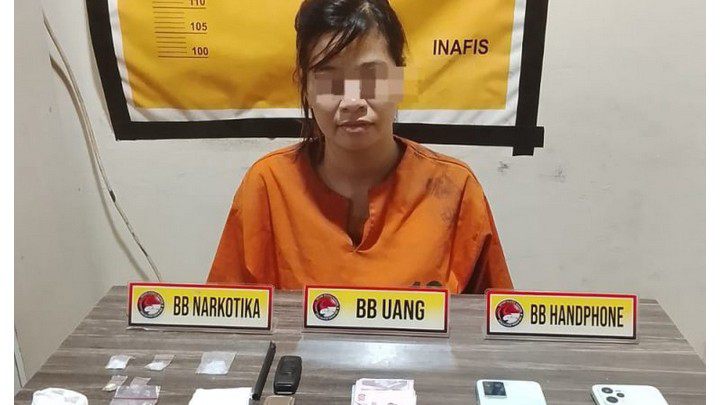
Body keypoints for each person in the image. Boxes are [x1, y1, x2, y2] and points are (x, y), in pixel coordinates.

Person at [207, 0, 513, 293]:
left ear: (399, 79)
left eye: (372, 78)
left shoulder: (455, 189)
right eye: (330, 81)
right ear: (305, 86)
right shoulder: (268, 186)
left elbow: (497, 319)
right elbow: (224, 316)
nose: (352, 101)